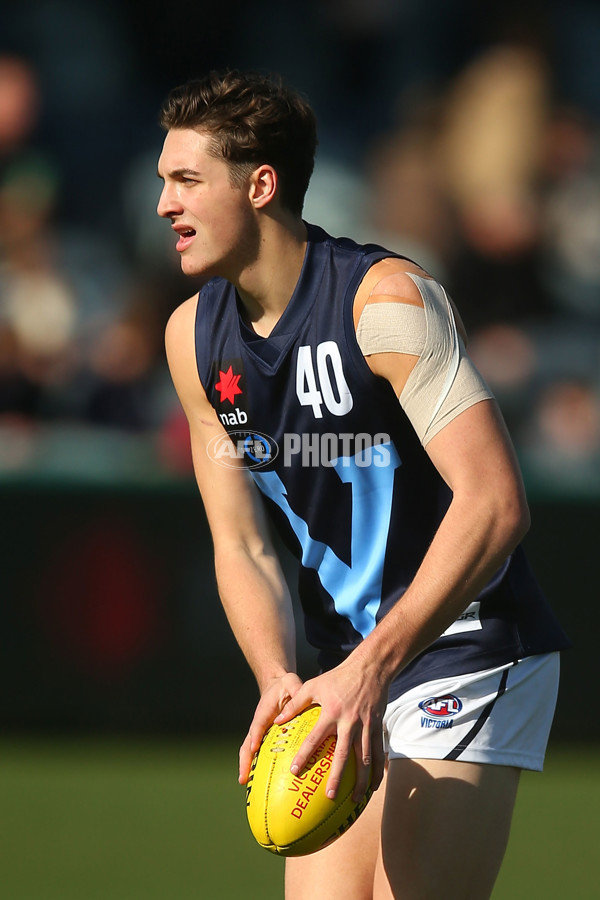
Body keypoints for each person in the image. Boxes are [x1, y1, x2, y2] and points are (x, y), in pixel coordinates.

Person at [157, 70, 569, 900]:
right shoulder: (192, 339)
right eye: (165, 180)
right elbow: (240, 541)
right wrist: (279, 676)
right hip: (346, 665)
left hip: (467, 645)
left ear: (261, 184)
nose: (164, 203)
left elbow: (495, 503)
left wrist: (375, 665)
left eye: (186, 180)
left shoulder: (386, 302)